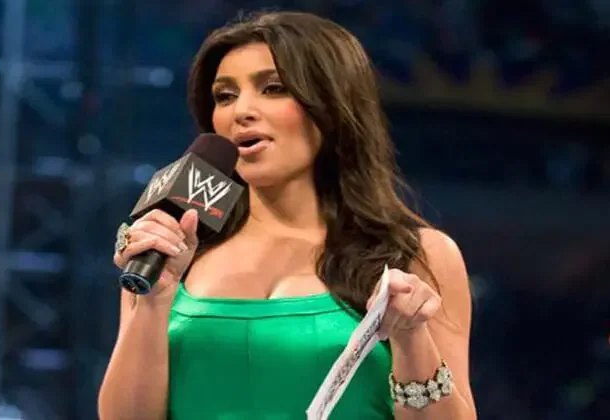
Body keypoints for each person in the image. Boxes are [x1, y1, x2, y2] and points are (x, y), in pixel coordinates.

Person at [98, 10, 476, 420]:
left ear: (332, 104)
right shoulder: (169, 247)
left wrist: (411, 338)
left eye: (273, 88)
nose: (241, 111)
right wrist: (154, 301)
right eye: (225, 96)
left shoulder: (415, 255)